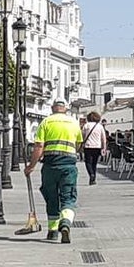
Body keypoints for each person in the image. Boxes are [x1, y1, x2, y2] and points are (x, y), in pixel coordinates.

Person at [25, 98, 83, 243]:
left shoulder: (46, 122)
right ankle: (65, 223)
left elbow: (39, 146)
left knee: (51, 197)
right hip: (69, 165)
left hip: (50, 165)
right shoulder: (73, 123)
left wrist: (31, 166)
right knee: (68, 198)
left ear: (52, 108)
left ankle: (52, 231)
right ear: (66, 108)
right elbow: (79, 144)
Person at [81, 111, 109, 184]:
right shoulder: (100, 126)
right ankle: (93, 179)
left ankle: (91, 174)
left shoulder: (86, 125)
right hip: (97, 146)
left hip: (88, 146)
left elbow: (82, 136)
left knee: (88, 162)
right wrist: (104, 148)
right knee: (94, 163)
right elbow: (103, 138)